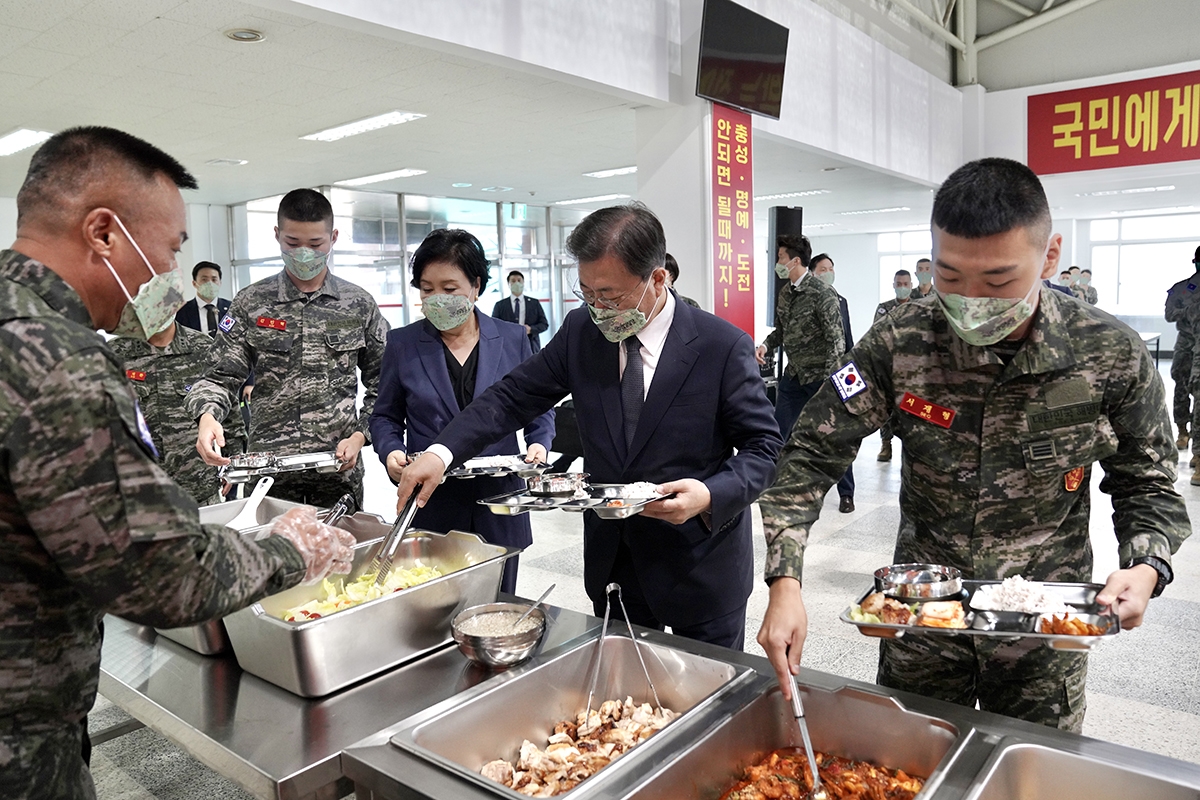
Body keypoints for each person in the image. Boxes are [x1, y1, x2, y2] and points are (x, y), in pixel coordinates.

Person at [755, 157, 1189, 733]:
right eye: (951, 276)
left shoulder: (1108, 352)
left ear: (1050, 255)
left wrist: (1147, 565)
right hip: (923, 620)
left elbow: (1148, 478)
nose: (970, 300)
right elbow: (810, 453)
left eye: (999, 281)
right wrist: (785, 580)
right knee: (914, 765)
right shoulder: (900, 340)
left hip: (1042, 630)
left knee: (1034, 779)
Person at [0, 126, 353, 800]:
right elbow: (161, 575)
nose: (165, 278)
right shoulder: (56, 359)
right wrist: (288, 550)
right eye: (166, 253)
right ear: (103, 233)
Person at [397, 203, 783, 649]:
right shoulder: (582, 331)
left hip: (699, 565)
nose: (598, 308)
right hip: (616, 565)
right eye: (587, 293)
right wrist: (441, 453)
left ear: (658, 279)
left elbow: (763, 448)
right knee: (625, 697)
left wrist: (711, 494)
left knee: (714, 694)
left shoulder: (720, 345)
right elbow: (511, 397)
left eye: (611, 295)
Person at [370, 230, 554, 593]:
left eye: (449, 289)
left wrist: (540, 443)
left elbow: (536, 405)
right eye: (426, 289)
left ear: (476, 286)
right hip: (433, 502)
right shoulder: (404, 343)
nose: (436, 298)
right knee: (433, 608)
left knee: (498, 605)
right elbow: (385, 415)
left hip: (500, 499)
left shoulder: (513, 338)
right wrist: (390, 451)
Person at [188, 189, 389, 508]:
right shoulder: (252, 303)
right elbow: (218, 377)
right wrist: (208, 415)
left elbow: (386, 383)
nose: (304, 253)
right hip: (271, 472)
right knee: (273, 555)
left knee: (340, 555)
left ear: (334, 237)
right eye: (293, 244)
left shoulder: (358, 305)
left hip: (337, 470)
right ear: (277, 236)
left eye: (315, 244)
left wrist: (360, 435)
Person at [110, 320, 245, 505]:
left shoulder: (204, 347)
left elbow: (230, 413)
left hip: (198, 488)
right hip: (139, 494)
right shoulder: (114, 354)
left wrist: (233, 467)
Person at [754, 234, 845, 442]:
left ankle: (843, 477)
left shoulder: (822, 293)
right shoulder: (786, 293)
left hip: (818, 379)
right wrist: (766, 346)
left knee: (830, 438)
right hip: (794, 377)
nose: (778, 263)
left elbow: (836, 341)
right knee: (778, 433)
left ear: (795, 261)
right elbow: (781, 331)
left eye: (780, 257)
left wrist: (829, 382)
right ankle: (775, 474)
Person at [809, 253, 855, 513]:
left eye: (830, 268)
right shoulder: (805, 299)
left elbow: (847, 340)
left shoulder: (841, 301)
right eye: (822, 269)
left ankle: (846, 493)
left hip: (837, 376)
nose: (827, 272)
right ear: (812, 273)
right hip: (806, 378)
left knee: (840, 435)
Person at [873, 269, 915, 462]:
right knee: (886, 406)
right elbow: (876, 335)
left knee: (912, 408)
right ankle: (885, 444)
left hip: (913, 369)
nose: (902, 287)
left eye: (905, 284)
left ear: (911, 285)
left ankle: (912, 447)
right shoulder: (884, 308)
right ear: (893, 285)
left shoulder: (919, 307)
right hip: (889, 366)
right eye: (899, 284)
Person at [1164, 247, 1200, 449]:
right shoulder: (1181, 289)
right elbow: (1169, 314)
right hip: (1186, 344)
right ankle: (1182, 430)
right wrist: (1189, 311)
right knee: (1181, 386)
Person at [491, 269, 549, 353]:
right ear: (509, 284)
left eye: (519, 280)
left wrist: (531, 329)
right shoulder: (500, 305)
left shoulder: (534, 303)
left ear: (523, 283)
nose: (516, 283)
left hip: (531, 346)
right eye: (513, 281)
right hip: (507, 348)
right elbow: (494, 326)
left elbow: (544, 324)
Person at [176, 261, 230, 336]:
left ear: (220, 283)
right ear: (194, 283)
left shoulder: (232, 308)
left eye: (214, 280)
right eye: (204, 280)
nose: (210, 284)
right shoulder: (181, 311)